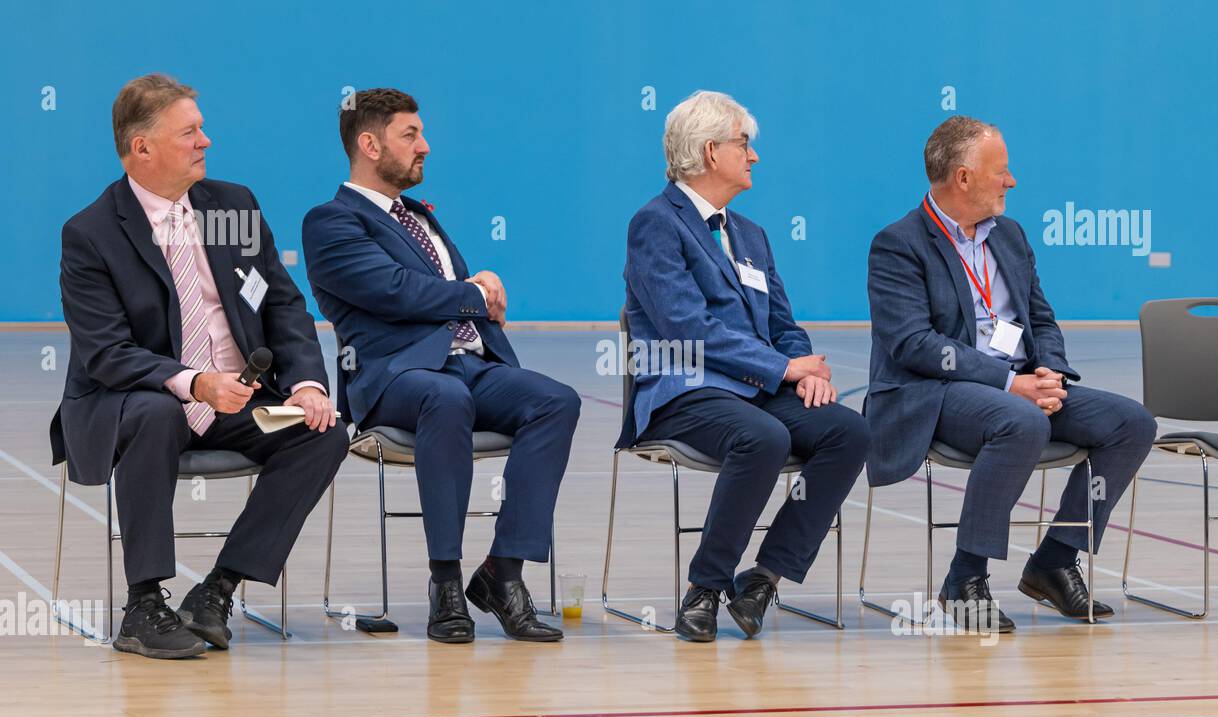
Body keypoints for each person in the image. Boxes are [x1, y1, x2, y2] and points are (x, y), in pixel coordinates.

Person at [52, 74, 348, 659]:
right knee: (160, 412)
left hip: (239, 403)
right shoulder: (90, 234)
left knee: (322, 433)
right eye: (189, 132)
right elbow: (108, 353)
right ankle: (143, 605)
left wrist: (308, 385)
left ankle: (217, 590)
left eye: (201, 129)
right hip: (133, 400)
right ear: (142, 148)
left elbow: (282, 302)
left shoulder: (230, 206)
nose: (205, 142)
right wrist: (196, 384)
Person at [302, 88, 579, 644]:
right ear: (369, 144)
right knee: (445, 399)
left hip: (470, 365)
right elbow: (396, 292)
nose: (424, 146)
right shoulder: (330, 221)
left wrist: (477, 288)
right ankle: (446, 583)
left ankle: (503, 573)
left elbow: (441, 291)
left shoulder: (421, 217)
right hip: (394, 377)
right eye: (411, 135)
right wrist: (476, 291)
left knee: (557, 400)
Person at [865, 115, 1156, 631]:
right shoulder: (898, 244)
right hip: (936, 392)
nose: (1011, 180)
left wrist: (1049, 373)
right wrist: (1010, 384)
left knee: (1131, 423)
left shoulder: (1010, 236)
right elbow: (914, 344)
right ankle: (964, 578)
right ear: (962, 178)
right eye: (1001, 171)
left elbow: (1039, 316)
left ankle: (1056, 559)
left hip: (1019, 386)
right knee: (1020, 422)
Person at [621, 91, 869, 643]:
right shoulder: (656, 224)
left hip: (755, 386)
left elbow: (784, 322)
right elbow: (688, 330)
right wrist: (785, 368)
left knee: (848, 431)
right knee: (763, 437)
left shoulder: (751, 234)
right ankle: (705, 589)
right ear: (711, 152)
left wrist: (804, 368)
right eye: (744, 143)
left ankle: (763, 577)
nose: (753, 156)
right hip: (684, 392)